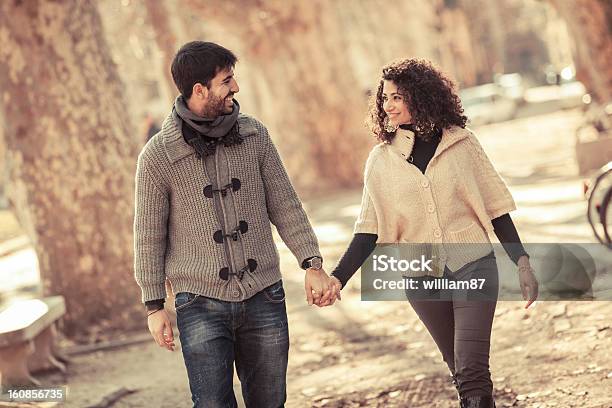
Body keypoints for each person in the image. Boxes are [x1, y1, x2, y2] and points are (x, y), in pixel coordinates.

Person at [133, 41, 335, 408]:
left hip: (265, 295)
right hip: (198, 301)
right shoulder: (158, 155)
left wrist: (312, 263)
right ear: (200, 90)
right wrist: (153, 305)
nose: (236, 88)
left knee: (271, 402)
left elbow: (286, 205)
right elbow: (148, 235)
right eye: (227, 80)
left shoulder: (255, 135)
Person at [327, 58, 539, 408]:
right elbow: (367, 231)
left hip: (473, 266)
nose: (388, 106)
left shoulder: (462, 144)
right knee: (459, 369)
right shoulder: (381, 161)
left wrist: (522, 262)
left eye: (396, 97)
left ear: (420, 96)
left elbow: (496, 209)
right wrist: (338, 277)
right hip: (421, 277)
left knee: (471, 368)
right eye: (384, 98)